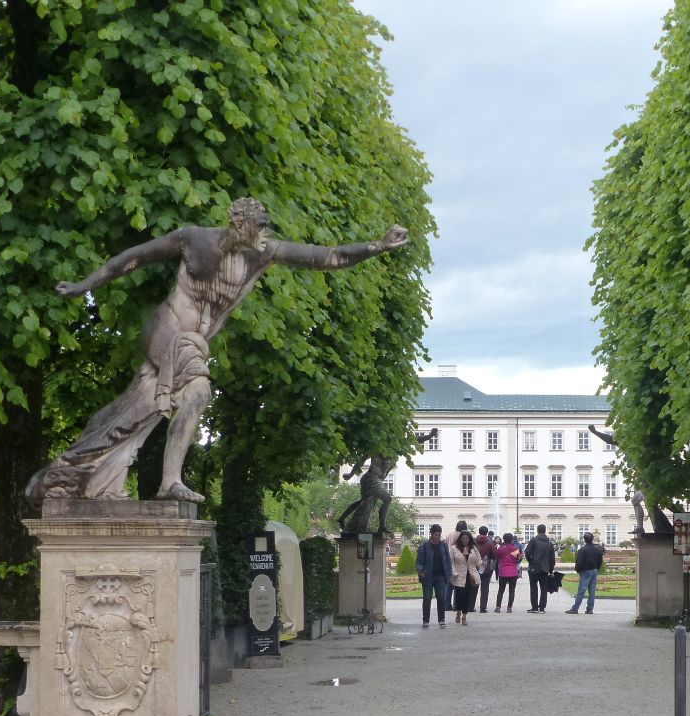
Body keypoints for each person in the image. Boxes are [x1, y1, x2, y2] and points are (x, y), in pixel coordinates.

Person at [27, 197, 408, 506]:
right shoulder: (193, 239)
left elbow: (326, 256)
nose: (266, 231)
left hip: (195, 343)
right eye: (260, 224)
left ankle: (71, 469)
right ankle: (170, 482)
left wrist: (377, 245)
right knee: (198, 391)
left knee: (139, 408)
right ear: (239, 224)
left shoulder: (262, 253)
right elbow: (131, 258)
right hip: (168, 331)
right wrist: (83, 286)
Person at [415, 524, 452, 629]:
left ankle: (441, 620)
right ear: (431, 534)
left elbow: (448, 560)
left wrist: (448, 574)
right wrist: (421, 570)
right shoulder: (424, 546)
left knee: (441, 598)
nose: (438, 537)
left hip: (440, 576)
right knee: (427, 598)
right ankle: (425, 620)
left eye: (439, 534)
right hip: (428, 576)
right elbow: (419, 562)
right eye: (436, 534)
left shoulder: (443, 546)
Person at [448, 530, 483, 625]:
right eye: (463, 538)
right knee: (459, 595)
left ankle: (464, 615)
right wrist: (453, 573)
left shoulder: (473, 548)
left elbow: (478, 561)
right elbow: (450, 562)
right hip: (459, 575)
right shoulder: (454, 548)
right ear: (460, 539)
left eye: (466, 539)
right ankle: (458, 612)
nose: (465, 540)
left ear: (469, 539)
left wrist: (483, 563)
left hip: (470, 575)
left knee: (467, 596)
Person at [566, 532, 606, 614]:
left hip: (585, 571)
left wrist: (578, 570)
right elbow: (600, 561)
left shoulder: (582, 550)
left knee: (581, 590)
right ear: (592, 539)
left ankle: (575, 608)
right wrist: (596, 569)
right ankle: (590, 609)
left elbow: (579, 562)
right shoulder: (597, 549)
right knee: (592, 591)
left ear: (584, 540)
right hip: (594, 570)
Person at [524, 523, 557, 613]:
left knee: (533, 587)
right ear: (545, 531)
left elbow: (527, 553)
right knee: (544, 588)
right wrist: (551, 570)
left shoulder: (534, 540)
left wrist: (531, 562)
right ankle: (542, 608)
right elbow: (552, 559)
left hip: (534, 568)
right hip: (545, 568)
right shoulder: (549, 543)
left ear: (537, 531)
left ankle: (534, 607)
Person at [492, 533, 522, 612]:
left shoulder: (501, 549)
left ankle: (498, 607)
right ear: (512, 539)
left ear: (504, 539)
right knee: (512, 591)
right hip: (513, 571)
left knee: (501, 590)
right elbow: (518, 560)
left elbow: (495, 556)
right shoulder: (515, 549)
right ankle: (509, 608)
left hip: (503, 571)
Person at [474, 526, 496, 613]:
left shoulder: (474, 541)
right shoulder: (490, 542)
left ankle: (471, 606)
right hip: (486, 566)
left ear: (479, 532)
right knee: (485, 587)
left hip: (475, 566)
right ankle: (483, 607)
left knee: (474, 587)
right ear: (487, 533)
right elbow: (494, 555)